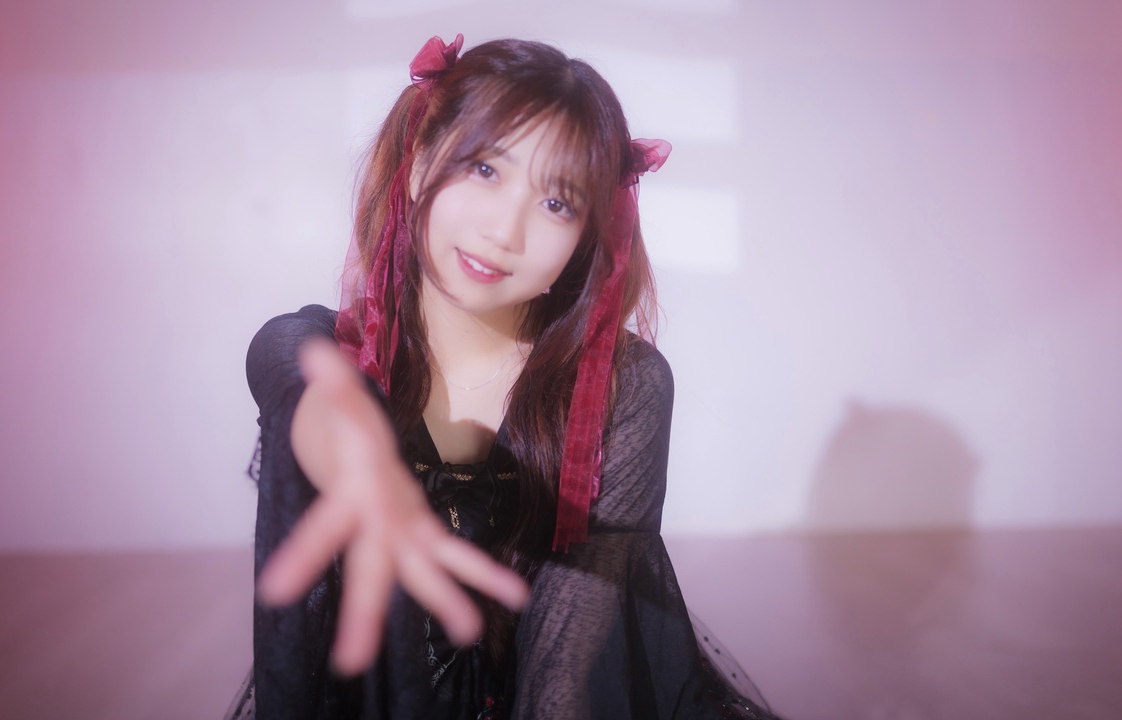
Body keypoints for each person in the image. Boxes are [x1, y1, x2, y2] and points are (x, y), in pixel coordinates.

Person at [241, 35, 780, 719]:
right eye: (485, 169)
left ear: (586, 237)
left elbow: (567, 663)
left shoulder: (625, 388)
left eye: (558, 203)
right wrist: (349, 449)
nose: (505, 230)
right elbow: (297, 381)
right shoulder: (320, 350)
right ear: (418, 162)